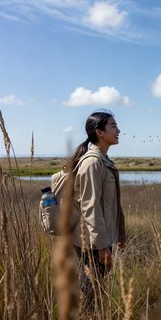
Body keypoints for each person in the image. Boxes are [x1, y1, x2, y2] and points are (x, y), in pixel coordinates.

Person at [67, 110, 125, 291]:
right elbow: (90, 207)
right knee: (91, 292)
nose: (119, 130)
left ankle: (90, 319)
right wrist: (101, 246)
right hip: (91, 241)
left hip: (101, 239)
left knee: (96, 289)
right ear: (99, 132)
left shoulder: (103, 161)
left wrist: (118, 236)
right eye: (113, 126)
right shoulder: (92, 163)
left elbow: (109, 205)